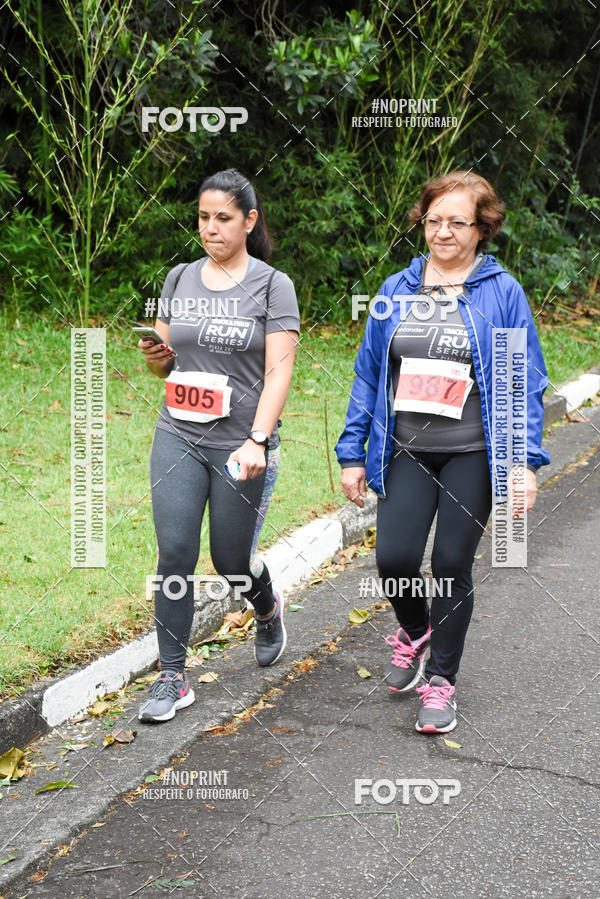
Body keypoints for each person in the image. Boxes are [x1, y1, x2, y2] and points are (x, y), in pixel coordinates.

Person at [335, 171, 549, 734]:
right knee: (394, 561)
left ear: (482, 228)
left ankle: (441, 681)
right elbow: (367, 375)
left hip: (472, 451)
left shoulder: (502, 293)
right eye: (434, 220)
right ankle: (415, 628)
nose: (444, 232)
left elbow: (523, 381)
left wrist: (524, 463)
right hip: (406, 448)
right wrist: (352, 453)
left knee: (451, 564)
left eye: (458, 222)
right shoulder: (396, 289)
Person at [137, 169, 299, 723]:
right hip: (178, 432)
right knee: (175, 554)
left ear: (249, 221)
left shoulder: (273, 286)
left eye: (223, 218)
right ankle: (172, 677)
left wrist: (258, 439)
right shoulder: (180, 277)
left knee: (231, 562)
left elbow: (279, 371)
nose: (211, 228)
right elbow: (165, 361)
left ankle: (266, 606)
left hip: (239, 444)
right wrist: (156, 358)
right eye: (204, 217)